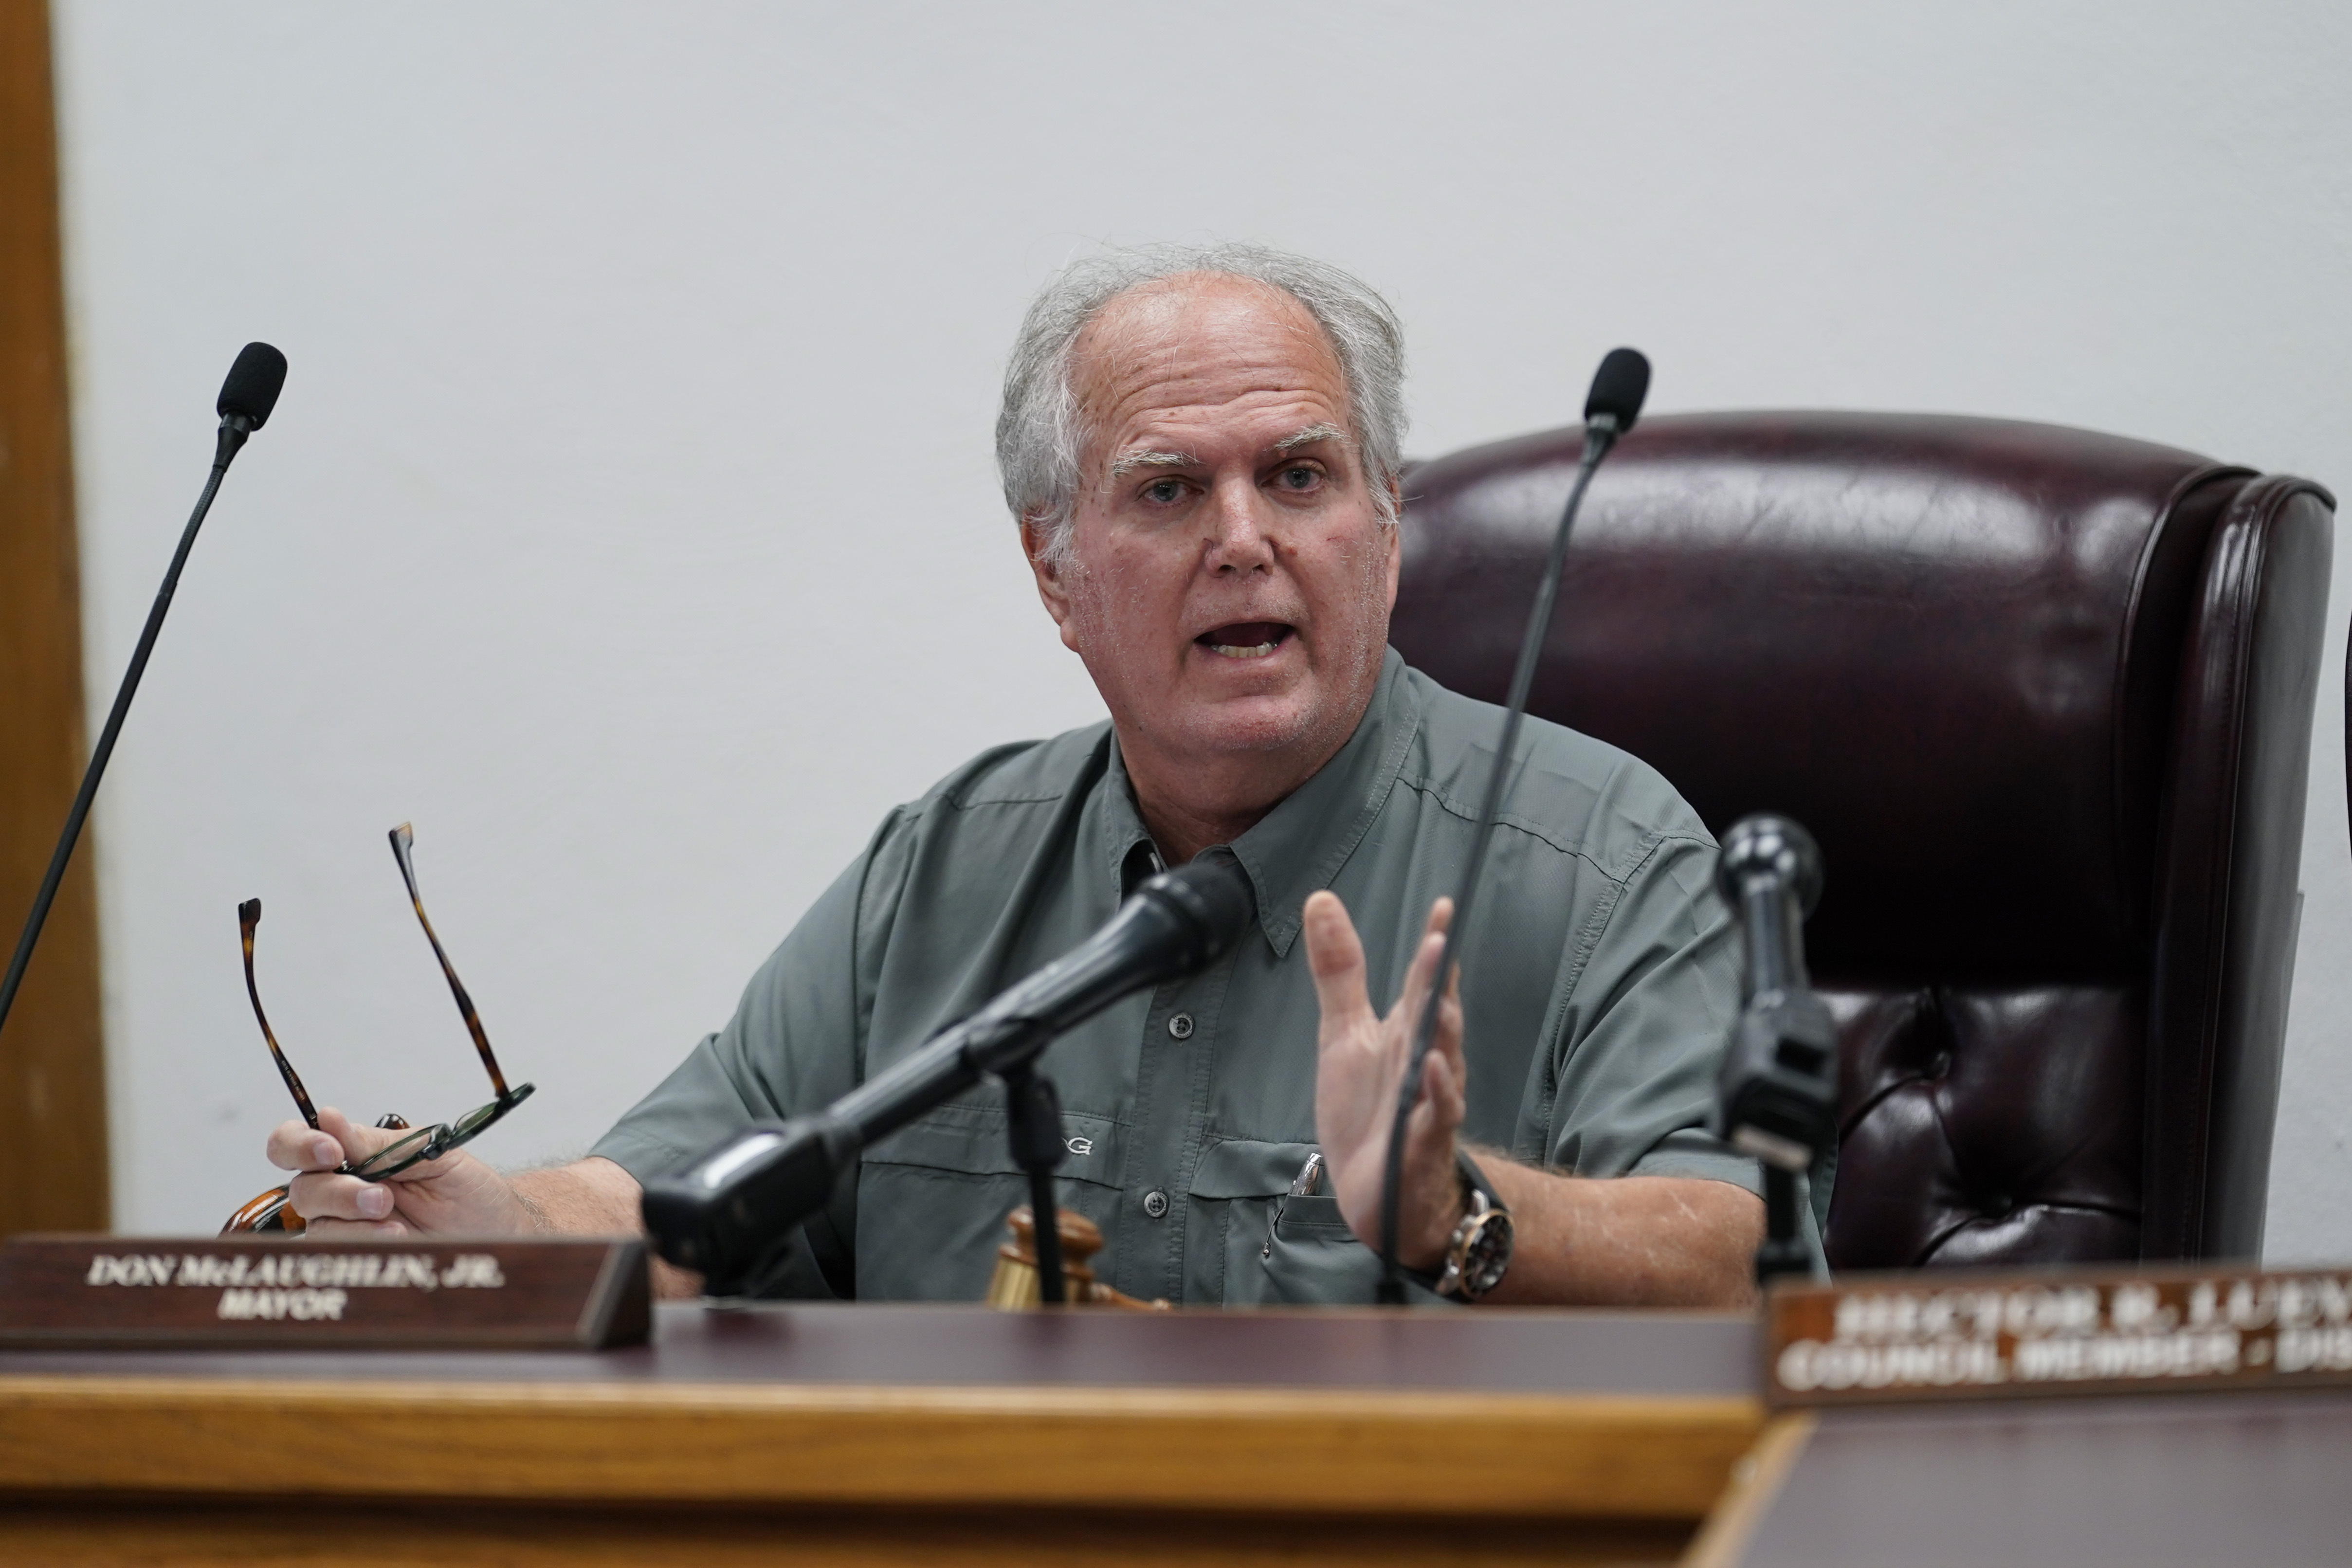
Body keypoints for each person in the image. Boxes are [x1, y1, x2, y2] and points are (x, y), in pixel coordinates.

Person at [268, 243, 1785, 1306]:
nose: (1243, 537)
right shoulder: (943, 869)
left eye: (1301, 477)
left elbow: (1731, 1257)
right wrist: (484, 1228)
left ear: (1386, 532)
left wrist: (1453, 1210)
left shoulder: (1600, 857)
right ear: (1054, 573)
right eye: (1169, 490)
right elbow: (693, 1185)